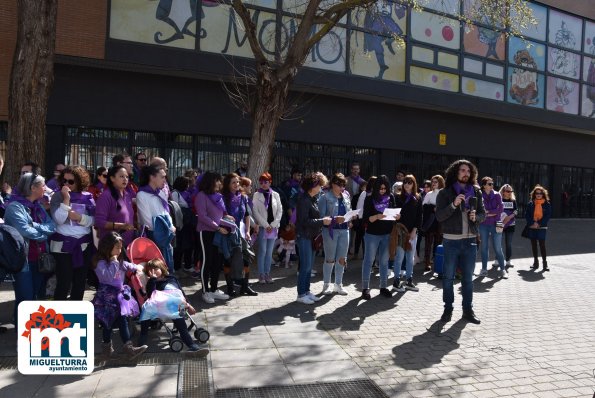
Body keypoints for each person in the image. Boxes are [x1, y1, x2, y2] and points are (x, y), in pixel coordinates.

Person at [435, 160, 485, 324]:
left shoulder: (476, 192)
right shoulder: (445, 193)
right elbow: (439, 216)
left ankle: (467, 310)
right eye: (462, 170)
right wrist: (453, 204)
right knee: (448, 278)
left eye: (468, 171)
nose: (466, 173)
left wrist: (475, 217)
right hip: (451, 241)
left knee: (468, 278)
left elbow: (483, 215)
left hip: (470, 240)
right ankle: (447, 309)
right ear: (456, 172)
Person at [4, 173, 56, 325]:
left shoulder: (37, 206)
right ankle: (22, 336)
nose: (45, 189)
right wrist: (42, 234)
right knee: (25, 299)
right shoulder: (15, 207)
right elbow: (25, 231)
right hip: (22, 262)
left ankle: (28, 332)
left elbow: (51, 226)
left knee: (32, 298)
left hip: (38, 260)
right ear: (33, 188)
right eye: (42, 186)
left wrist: (35, 226)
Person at [92, 232, 148, 360]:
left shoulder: (119, 262)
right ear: (108, 247)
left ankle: (129, 349)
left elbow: (130, 266)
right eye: (116, 247)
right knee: (107, 324)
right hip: (106, 298)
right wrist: (114, 263)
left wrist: (139, 267)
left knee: (122, 320)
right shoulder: (100, 263)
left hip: (119, 297)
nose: (119, 250)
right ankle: (107, 350)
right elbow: (108, 276)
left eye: (120, 247)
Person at [139, 258, 209, 356]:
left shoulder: (172, 278)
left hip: (177, 305)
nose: (153, 272)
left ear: (162, 268)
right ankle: (141, 343)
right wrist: (152, 280)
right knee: (146, 311)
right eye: (150, 271)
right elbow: (151, 295)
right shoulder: (152, 283)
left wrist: (188, 305)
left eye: (156, 269)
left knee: (182, 326)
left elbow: (181, 293)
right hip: (161, 307)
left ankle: (192, 346)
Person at [49, 166, 96, 300]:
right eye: (64, 181)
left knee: (80, 282)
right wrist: (66, 199)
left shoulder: (88, 197)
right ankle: (58, 317)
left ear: (80, 181)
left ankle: (75, 316)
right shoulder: (57, 196)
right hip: (62, 246)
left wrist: (80, 218)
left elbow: (94, 220)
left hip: (83, 245)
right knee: (64, 283)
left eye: (71, 181)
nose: (67, 184)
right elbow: (58, 219)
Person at [295, 172, 331, 304]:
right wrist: (322, 221)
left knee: (309, 267)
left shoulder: (313, 198)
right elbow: (304, 221)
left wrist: (322, 221)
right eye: (320, 185)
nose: (321, 188)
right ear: (313, 186)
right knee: (305, 266)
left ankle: (306, 291)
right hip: (304, 236)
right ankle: (301, 294)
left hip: (311, 236)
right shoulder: (304, 200)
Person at [194, 171, 230, 304]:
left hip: (218, 233)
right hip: (206, 233)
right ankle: (205, 291)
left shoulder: (219, 196)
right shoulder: (201, 196)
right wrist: (217, 227)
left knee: (217, 262)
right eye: (217, 180)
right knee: (206, 261)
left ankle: (214, 289)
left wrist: (227, 218)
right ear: (210, 182)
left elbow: (221, 214)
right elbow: (203, 216)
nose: (220, 183)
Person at [361, 175, 397, 300]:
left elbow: (394, 213)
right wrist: (376, 216)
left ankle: (383, 287)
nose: (383, 190)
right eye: (381, 188)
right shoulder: (370, 198)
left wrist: (397, 216)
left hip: (387, 234)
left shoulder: (391, 197)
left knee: (384, 261)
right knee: (369, 261)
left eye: (385, 188)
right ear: (376, 188)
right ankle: (365, 288)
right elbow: (365, 219)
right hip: (372, 234)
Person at [137, 165, 175, 273]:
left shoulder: (161, 193)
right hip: (154, 237)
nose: (165, 180)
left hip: (166, 235)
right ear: (152, 177)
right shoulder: (142, 195)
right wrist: (166, 228)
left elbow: (166, 212)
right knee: (157, 270)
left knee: (168, 267)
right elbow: (147, 220)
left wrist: (171, 226)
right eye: (162, 177)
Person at [221, 173, 255, 294]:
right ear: (228, 184)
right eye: (233, 182)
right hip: (228, 232)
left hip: (241, 232)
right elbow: (221, 215)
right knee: (228, 259)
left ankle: (245, 286)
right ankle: (230, 287)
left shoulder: (243, 197)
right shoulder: (223, 198)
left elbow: (246, 216)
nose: (236, 184)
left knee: (246, 258)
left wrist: (247, 231)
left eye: (237, 182)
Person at [318, 173, 350, 295]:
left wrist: (352, 216)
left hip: (344, 230)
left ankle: (338, 284)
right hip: (330, 231)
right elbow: (321, 217)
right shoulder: (325, 197)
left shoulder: (346, 196)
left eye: (343, 185)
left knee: (342, 258)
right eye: (339, 184)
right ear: (332, 184)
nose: (341, 187)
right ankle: (326, 284)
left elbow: (349, 210)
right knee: (330, 258)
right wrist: (336, 218)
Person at [94, 165, 136, 248]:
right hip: (110, 247)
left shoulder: (127, 195)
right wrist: (120, 226)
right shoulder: (105, 196)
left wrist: (136, 224)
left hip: (127, 245)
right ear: (112, 178)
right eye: (121, 176)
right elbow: (99, 222)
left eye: (127, 177)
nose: (125, 179)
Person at [393, 174, 423, 291]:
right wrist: (397, 217)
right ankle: (396, 281)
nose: (407, 184)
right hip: (401, 231)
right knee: (399, 256)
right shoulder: (397, 197)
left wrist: (415, 230)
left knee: (410, 257)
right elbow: (394, 213)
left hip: (412, 232)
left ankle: (409, 280)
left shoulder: (418, 198)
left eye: (410, 182)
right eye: (405, 182)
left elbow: (419, 216)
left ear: (414, 184)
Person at [253, 172, 283, 284]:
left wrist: (274, 224)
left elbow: (280, 210)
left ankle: (267, 273)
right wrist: (266, 225)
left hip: (273, 227)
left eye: (266, 182)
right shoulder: (257, 195)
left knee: (270, 251)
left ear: (270, 182)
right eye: (261, 182)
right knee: (262, 251)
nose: (263, 184)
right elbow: (255, 212)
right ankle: (261, 274)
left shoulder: (276, 194)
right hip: (263, 227)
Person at [478, 176, 506, 278]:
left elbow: (501, 208)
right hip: (483, 224)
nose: (492, 185)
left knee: (498, 247)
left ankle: (503, 269)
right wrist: (490, 212)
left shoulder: (497, 194)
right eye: (489, 184)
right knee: (484, 247)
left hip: (497, 223)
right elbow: (480, 210)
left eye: (492, 183)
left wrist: (489, 213)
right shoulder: (480, 195)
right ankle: (484, 269)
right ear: (484, 185)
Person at [171, 176, 195, 272]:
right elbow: (175, 208)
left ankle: (187, 265)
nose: (188, 185)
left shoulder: (187, 193)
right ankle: (177, 266)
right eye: (186, 183)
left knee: (188, 244)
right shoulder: (175, 193)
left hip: (187, 223)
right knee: (179, 246)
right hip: (180, 223)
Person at [525, 185, 551, 271]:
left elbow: (547, 216)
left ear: (543, 194)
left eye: (540, 193)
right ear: (534, 194)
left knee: (542, 244)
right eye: (537, 193)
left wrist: (539, 223)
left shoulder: (547, 204)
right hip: (532, 226)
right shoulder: (531, 203)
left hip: (542, 227)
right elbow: (527, 215)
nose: (538, 195)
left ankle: (545, 263)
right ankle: (535, 262)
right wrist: (532, 223)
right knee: (533, 245)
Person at [421, 175, 444, 271]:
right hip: (430, 222)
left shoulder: (444, 194)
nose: (433, 183)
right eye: (432, 181)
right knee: (428, 244)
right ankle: (427, 263)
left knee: (438, 244)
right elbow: (423, 207)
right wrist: (432, 208)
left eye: (436, 182)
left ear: (440, 182)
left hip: (441, 222)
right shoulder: (429, 194)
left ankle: (436, 263)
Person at [499, 184, 517, 267]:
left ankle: (508, 260)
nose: (510, 192)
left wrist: (509, 217)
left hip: (511, 224)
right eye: (508, 191)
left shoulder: (513, 201)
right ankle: (497, 259)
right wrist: (504, 217)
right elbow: (497, 210)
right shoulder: (499, 199)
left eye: (511, 191)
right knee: (498, 242)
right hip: (500, 223)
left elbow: (516, 211)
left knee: (508, 243)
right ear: (503, 192)